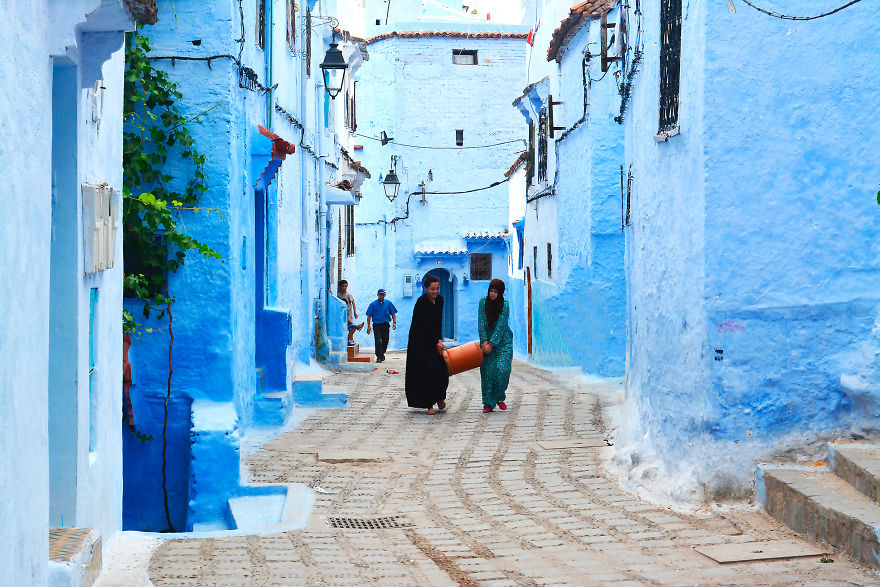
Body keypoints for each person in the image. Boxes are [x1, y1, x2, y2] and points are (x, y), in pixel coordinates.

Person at [405, 274, 449, 415]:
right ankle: (429, 403)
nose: (435, 292)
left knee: (442, 369)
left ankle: (440, 397)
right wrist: (435, 341)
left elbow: (438, 322)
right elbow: (424, 325)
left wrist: (440, 339)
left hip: (434, 339)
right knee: (428, 371)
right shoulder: (421, 303)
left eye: (437, 289)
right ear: (425, 288)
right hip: (420, 342)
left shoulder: (440, 300)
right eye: (432, 289)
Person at [478, 278, 513, 413]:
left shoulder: (505, 305)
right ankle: (488, 403)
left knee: (503, 370)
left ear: (500, 293)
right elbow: (481, 322)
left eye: (495, 292)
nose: (492, 294)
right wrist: (485, 341)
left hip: (503, 342)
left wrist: (492, 343)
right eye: (491, 291)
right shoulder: (482, 302)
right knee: (488, 373)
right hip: (486, 342)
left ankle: (499, 397)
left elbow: (501, 325)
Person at [366, 288, 397, 363]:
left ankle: (381, 353)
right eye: (380, 294)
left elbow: (393, 313)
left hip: (385, 325)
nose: (381, 296)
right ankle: (379, 357)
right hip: (376, 325)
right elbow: (369, 316)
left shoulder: (388, 303)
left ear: (385, 295)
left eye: (383, 294)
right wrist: (369, 326)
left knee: (385, 340)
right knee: (378, 340)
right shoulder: (373, 304)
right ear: (377, 295)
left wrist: (394, 322)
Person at [337, 280, 363, 345]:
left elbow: (353, 303)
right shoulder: (339, 295)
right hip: (342, 314)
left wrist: (355, 312)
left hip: (349, 314)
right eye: (343, 286)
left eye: (345, 286)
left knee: (351, 328)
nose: (344, 288)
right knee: (350, 326)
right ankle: (356, 329)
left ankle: (350, 339)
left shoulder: (348, 295)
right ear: (340, 286)